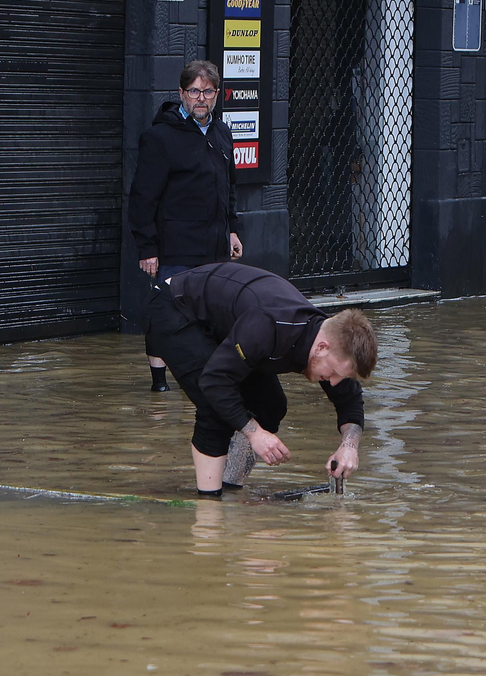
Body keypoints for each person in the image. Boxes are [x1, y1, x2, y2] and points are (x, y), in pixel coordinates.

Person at [143, 262, 377, 498]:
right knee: (214, 407)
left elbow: (349, 400)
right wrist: (255, 434)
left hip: (225, 322)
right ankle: (209, 509)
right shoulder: (268, 325)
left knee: (271, 405)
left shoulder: (329, 345)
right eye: (335, 373)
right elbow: (214, 382)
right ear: (322, 347)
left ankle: (230, 490)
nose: (334, 382)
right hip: (175, 308)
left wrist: (349, 446)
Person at [129, 60, 244, 392]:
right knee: (166, 312)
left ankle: (205, 376)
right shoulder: (159, 137)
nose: (201, 98)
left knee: (212, 313)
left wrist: (232, 230)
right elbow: (142, 198)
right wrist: (147, 248)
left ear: (217, 95)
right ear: (181, 93)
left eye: (208, 91)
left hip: (214, 244)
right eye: (194, 91)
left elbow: (229, 187)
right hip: (175, 244)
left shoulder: (222, 133)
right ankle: (159, 382)